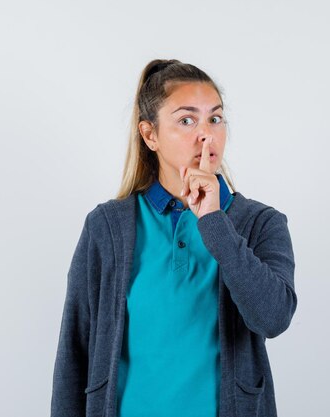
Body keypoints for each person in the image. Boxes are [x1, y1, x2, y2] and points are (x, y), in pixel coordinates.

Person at [50, 59, 297, 417]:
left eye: (215, 118)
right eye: (186, 120)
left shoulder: (260, 223)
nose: (206, 135)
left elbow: (273, 319)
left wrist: (213, 221)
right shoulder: (107, 226)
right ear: (150, 135)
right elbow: (74, 351)